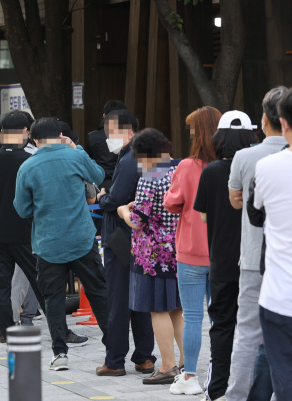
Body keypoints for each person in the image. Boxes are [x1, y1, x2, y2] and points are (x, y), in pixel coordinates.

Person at [14, 117, 106, 371]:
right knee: (99, 291)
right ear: (61, 134)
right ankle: (113, 348)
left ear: (34, 139)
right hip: (81, 238)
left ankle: (60, 352)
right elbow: (98, 175)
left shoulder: (28, 166)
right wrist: (76, 148)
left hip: (48, 242)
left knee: (53, 298)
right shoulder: (74, 157)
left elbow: (21, 209)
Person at [224, 87, 288, 401]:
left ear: (264, 120)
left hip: (252, 256)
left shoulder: (246, 157)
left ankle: (237, 395)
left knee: (248, 331)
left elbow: (237, 202)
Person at [194, 110, 256, 401]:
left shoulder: (211, 171)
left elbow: (204, 218)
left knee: (221, 327)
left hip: (221, 262)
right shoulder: (260, 168)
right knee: (256, 329)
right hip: (256, 262)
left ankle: (216, 389)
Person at [253, 84, 292, 401]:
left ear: (283, 123)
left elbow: (256, 212)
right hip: (284, 300)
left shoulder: (268, 167)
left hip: (284, 299)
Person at [117, 129, 183, 384]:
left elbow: (137, 221)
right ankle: (185, 361)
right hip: (177, 249)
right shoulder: (177, 171)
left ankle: (167, 365)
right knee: (177, 309)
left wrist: (124, 209)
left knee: (158, 310)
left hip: (151, 255)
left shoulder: (149, 177)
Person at [163, 106, 221, 395]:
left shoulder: (187, 166)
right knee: (220, 316)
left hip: (190, 252)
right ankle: (220, 372)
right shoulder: (229, 166)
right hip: (222, 252)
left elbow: (172, 202)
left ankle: (189, 377)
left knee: (193, 317)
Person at [96, 110, 156, 377]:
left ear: (128, 131)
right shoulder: (142, 154)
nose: (108, 138)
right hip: (139, 238)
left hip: (121, 237)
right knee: (140, 299)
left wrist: (102, 197)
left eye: (112, 132)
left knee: (119, 300)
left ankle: (115, 360)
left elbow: (117, 198)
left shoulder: (130, 158)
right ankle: (144, 357)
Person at [0, 111, 48, 341]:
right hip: (24, 231)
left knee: (1, 284)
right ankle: (59, 328)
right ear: (25, 131)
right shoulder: (29, 160)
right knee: (39, 279)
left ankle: (6, 331)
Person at [86, 100, 127, 192]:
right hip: (122, 184)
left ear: (104, 116)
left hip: (98, 185)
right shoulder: (128, 137)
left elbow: (89, 161)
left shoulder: (92, 136)